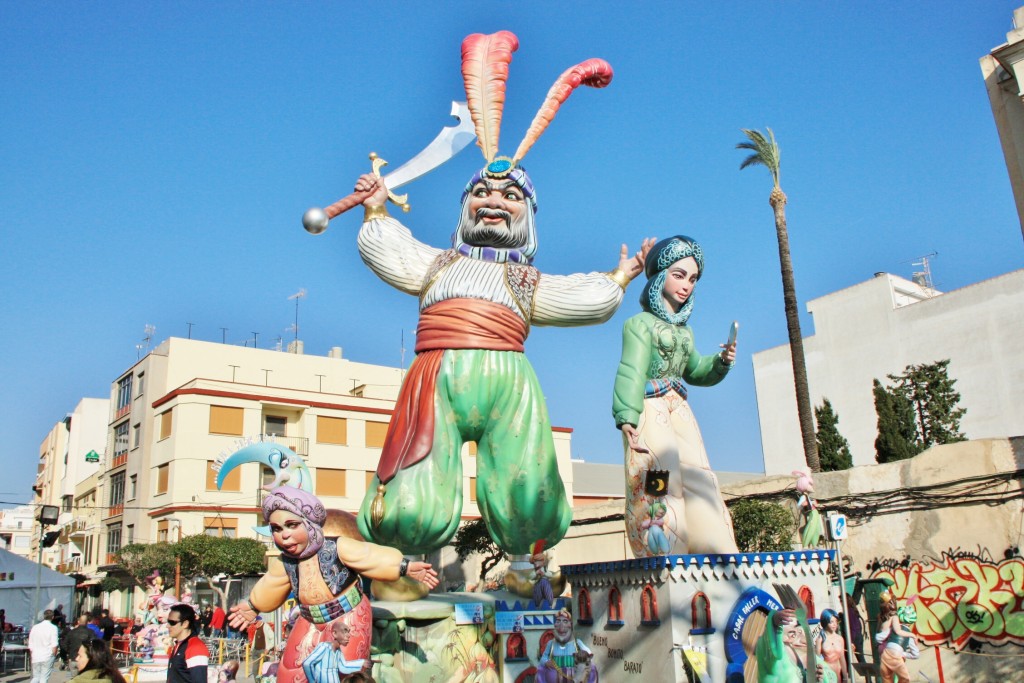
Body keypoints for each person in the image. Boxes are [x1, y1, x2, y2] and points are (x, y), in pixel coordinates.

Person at [345, 30, 651, 561]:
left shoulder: (526, 282)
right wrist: (376, 209)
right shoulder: (439, 264)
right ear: (465, 208)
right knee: (412, 492)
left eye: (510, 195)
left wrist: (618, 278)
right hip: (436, 378)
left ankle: (526, 565)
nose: (493, 201)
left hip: (510, 385)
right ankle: (405, 566)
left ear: (527, 214)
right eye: (481, 193)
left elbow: (581, 298)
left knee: (525, 488)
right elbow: (389, 250)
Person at [227, 487, 438, 683]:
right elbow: (270, 585)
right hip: (309, 618)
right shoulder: (285, 562)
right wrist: (252, 606)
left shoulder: (337, 547)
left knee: (344, 673)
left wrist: (405, 567)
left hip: (347, 614)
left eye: (292, 525)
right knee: (291, 671)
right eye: (276, 528)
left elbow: (369, 556)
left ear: (309, 523)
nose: (284, 534)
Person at [612, 235, 739, 557]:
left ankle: (714, 546)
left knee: (700, 475)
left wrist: (720, 362)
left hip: (679, 406)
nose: (686, 285)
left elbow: (694, 370)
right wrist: (626, 414)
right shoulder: (639, 324)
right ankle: (663, 548)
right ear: (660, 275)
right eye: (679, 275)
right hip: (650, 406)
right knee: (659, 474)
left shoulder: (686, 331)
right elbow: (631, 369)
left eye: (693, 278)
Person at [755, 608, 835, 682]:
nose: (799, 632)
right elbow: (768, 644)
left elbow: (832, 676)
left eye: (797, 627)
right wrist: (774, 622)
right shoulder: (774, 657)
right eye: (792, 632)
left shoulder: (807, 655)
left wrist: (822, 676)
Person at [537, 608, 596, 683]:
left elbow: (589, 654)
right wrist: (546, 662)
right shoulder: (551, 643)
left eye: (565, 621)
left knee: (592, 669)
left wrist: (584, 655)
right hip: (555, 676)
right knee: (541, 671)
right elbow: (543, 657)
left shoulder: (577, 643)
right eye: (558, 621)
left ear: (570, 626)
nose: (562, 627)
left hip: (573, 675)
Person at [301, 621, 367, 683]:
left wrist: (362, 663)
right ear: (334, 633)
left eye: (348, 632)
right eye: (344, 631)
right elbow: (307, 663)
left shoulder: (338, 651)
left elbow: (343, 667)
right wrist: (312, 681)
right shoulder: (324, 647)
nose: (348, 635)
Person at [875, 593, 919, 683]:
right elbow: (899, 631)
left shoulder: (884, 619)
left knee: (887, 679)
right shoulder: (894, 619)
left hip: (884, 652)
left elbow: (878, 636)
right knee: (904, 678)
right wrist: (912, 636)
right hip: (894, 654)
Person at [166, 604, 209, 683]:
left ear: (185, 624)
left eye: (172, 622)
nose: (167, 626)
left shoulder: (195, 646)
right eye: (168, 622)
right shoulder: (178, 645)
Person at [28, 609, 59, 683]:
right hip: (47, 655)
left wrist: (32, 653)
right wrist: (54, 655)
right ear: (53, 617)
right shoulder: (53, 628)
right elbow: (54, 644)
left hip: (36, 655)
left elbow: (31, 642)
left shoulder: (35, 627)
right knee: (44, 678)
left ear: (44, 616)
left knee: (36, 677)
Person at [795, 471, 823, 549]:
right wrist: (805, 503)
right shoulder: (803, 496)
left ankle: (814, 544)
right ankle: (805, 544)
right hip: (812, 513)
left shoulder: (807, 496)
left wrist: (814, 503)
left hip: (815, 512)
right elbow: (799, 505)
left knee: (816, 529)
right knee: (810, 528)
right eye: (809, 484)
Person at [816, 609, 846, 682]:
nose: (834, 624)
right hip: (827, 672)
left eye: (836, 621)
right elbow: (817, 660)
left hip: (837, 672)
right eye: (831, 622)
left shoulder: (840, 639)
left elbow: (842, 659)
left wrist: (845, 676)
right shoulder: (820, 639)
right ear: (825, 622)